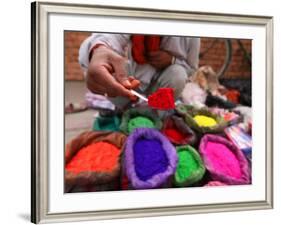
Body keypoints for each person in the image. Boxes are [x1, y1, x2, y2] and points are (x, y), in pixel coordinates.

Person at [79, 33, 200, 110]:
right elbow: (110, 36)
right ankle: (126, 110)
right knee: (110, 70)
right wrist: (100, 49)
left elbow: (191, 68)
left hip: (163, 80)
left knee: (178, 74)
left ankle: (156, 113)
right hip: (132, 81)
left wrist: (172, 60)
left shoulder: (190, 33)